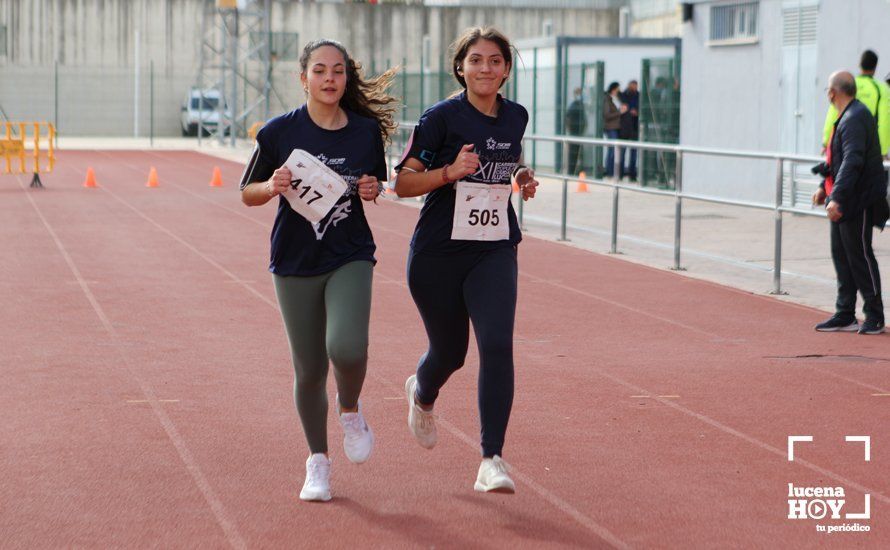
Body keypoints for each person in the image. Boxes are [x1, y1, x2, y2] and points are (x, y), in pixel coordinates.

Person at [239, 39, 398, 501]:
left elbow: (375, 183)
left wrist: (372, 188)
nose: (330, 79)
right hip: (294, 259)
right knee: (309, 368)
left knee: (346, 348)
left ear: (347, 77)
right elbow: (246, 192)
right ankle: (318, 462)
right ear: (303, 77)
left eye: (339, 71)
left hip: (349, 252)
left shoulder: (366, 132)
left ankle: (349, 408)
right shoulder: (278, 132)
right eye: (321, 70)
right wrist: (270, 185)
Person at [393, 26, 539, 493]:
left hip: (494, 248)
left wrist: (520, 175)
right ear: (461, 67)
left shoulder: (516, 115)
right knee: (450, 353)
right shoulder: (440, 118)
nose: (485, 68)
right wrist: (449, 172)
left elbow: (506, 157)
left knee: (496, 344)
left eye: (495, 61)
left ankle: (491, 459)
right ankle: (422, 390)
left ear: (507, 70)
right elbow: (403, 184)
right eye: (476, 60)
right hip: (437, 253)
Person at [812, 71, 888, 335]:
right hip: (845, 197)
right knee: (842, 254)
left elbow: (853, 162)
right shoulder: (847, 116)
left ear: (833, 92)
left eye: (827, 91)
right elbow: (838, 161)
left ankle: (875, 315)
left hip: (859, 199)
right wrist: (825, 188)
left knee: (859, 254)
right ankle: (845, 313)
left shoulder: (855, 118)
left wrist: (837, 197)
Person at [822, 50, 890, 158]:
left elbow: (833, 114)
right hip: (869, 148)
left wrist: (826, 143)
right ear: (875, 67)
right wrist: (882, 152)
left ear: (859, 64)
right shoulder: (882, 89)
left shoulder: (845, 83)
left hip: (843, 144)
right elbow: (885, 122)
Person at [603, 81, 626, 178]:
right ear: (613, 89)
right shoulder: (607, 99)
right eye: (618, 89)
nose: (619, 90)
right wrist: (619, 112)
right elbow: (607, 115)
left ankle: (615, 172)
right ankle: (610, 172)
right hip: (611, 127)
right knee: (612, 150)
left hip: (618, 127)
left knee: (616, 150)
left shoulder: (617, 98)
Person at [619, 80, 640, 181]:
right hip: (625, 128)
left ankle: (632, 175)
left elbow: (640, 107)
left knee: (634, 153)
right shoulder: (623, 95)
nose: (635, 87)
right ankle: (620, 174)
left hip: (635, 128)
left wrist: (637, 112)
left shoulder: (639, 96)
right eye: (633, 86)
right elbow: (622, 109)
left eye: (636, 86)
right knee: (622, 152)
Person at [565, 87, 587, 174]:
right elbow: (567, 118)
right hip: (574, 133)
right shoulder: (574, 105)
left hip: (579, 133)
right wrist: (571, 129)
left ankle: (576, 171)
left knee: (578, 154)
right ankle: (570, 172)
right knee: (573, 154)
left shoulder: (580, 105)